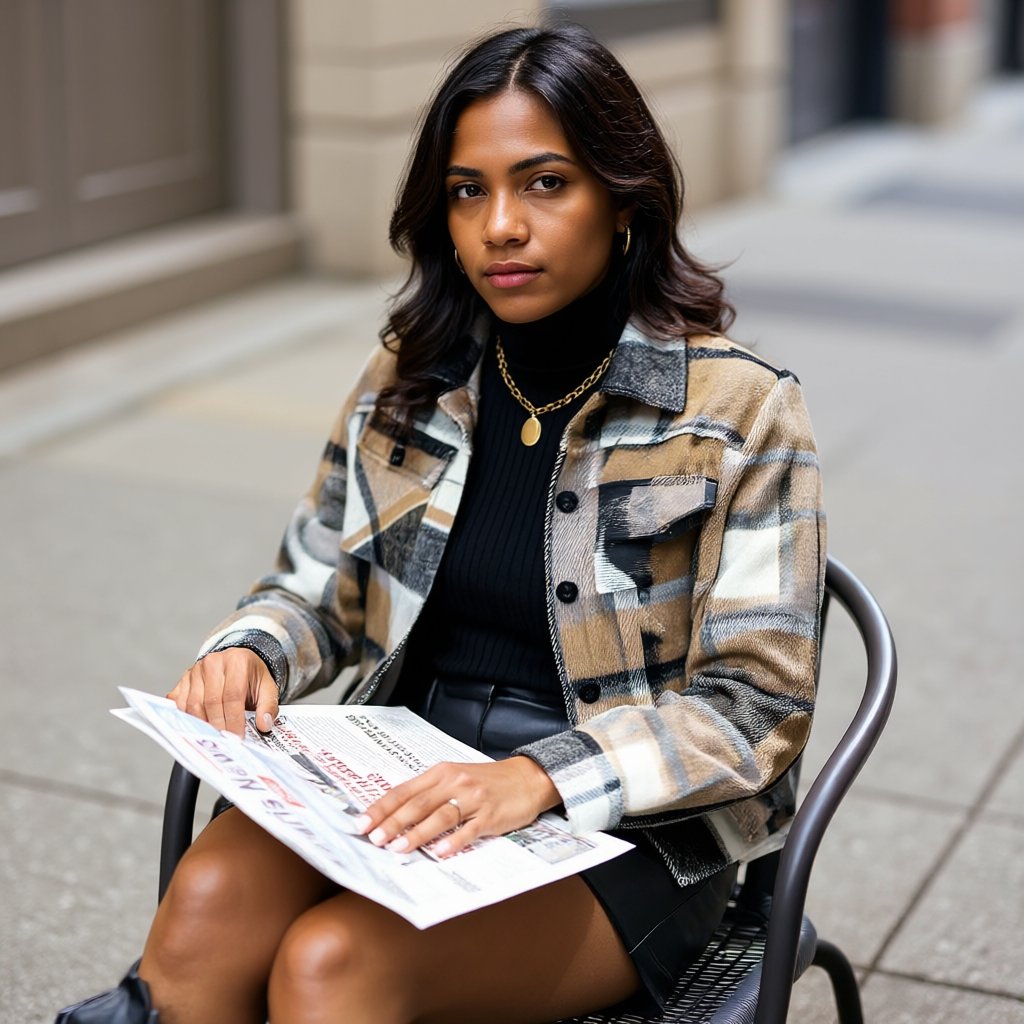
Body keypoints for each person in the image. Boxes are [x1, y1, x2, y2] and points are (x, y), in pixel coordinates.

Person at [60, 23, 826, 1024]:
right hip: (398, 770)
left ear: (623, 200)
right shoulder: (413, 381)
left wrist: (538, 778)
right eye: (469, 190)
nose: (500, 225)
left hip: (625, 828)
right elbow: (317, 586)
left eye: (545, 183)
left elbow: (753, 707)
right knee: (204, 907)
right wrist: (252, 651)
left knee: (330, 964)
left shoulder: (738, 412)